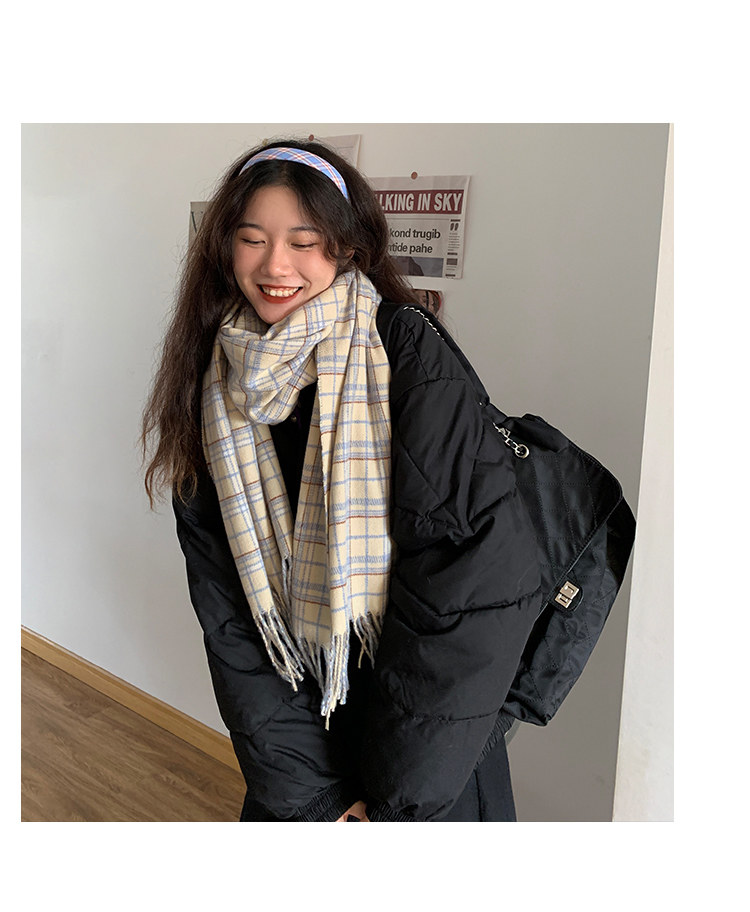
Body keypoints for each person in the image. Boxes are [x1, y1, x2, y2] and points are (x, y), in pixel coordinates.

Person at [141, 140, 543, 822]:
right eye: (252, 239)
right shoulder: (209, 382)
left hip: (427, 753)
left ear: (348, 247)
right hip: (301, 753)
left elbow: (467, 586)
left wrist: (392, 802)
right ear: (225, 247)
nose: (276, 265)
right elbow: (231, 614)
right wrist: (315, 799)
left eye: (304, 242)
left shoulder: (403, 350)